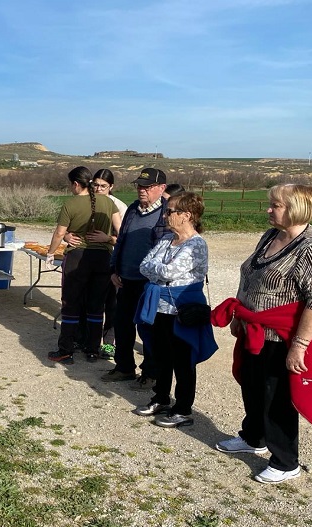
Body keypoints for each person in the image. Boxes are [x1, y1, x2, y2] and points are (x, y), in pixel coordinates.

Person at [212, 184, 312, 484]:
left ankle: (285, 461)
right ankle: (253, 437)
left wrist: (300, 346)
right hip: (253, 329)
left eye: (276, 205)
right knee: (252, 385)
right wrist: (238, 315)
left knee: (276, 397)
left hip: (281, 337)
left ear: (296, 208)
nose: (268, 210)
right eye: (270, 204)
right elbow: (251, 276)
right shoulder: (271, 236)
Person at [132, 192, 217, 428]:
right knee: (160, 355)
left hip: (182, 310)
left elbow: (169, 272)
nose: (165, 215)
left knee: (183, 359)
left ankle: (183, 408)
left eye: (170, 211)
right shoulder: (166, 239)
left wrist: (157, 269)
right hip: (159, 307)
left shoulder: (196, 244)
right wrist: (159, 269)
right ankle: (161, 398)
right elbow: (143, 266)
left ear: (186, 215)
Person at [45, 166, 122, 364]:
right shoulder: (108, 202)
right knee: (96, 306)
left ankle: (66, 350)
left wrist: (51, 252)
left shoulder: (70, 204)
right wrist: (108, 239)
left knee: (71, 304)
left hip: (77, 258)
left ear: (76, 184)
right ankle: (92, 349)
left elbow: (59, 234)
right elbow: (120, 232)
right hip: (102, 258)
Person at [102, 167, 169, 383]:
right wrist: (114, 269)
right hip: (125, 279)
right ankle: (124, 367)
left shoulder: (168, 213)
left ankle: (150, 373)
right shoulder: (132, 209)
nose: (142, 190)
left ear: (161, 188)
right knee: (122, 326)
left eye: (148, 187)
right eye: (140, 186)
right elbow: (121, 240)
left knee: (149, 330)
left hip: (150, 283)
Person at [65, 168, 128, 359]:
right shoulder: (85, 201)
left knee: (110, 303)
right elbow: (67, 227)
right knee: (87, 300)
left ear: (111, 187)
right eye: (96, 185)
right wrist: (67, 236)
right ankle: (85, 339)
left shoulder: (118, 206)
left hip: (111, 259)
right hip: (88, 258)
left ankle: (108, 343)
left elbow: (124, 238)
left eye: (104, 186)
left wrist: (107, 238)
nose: (99, 189)